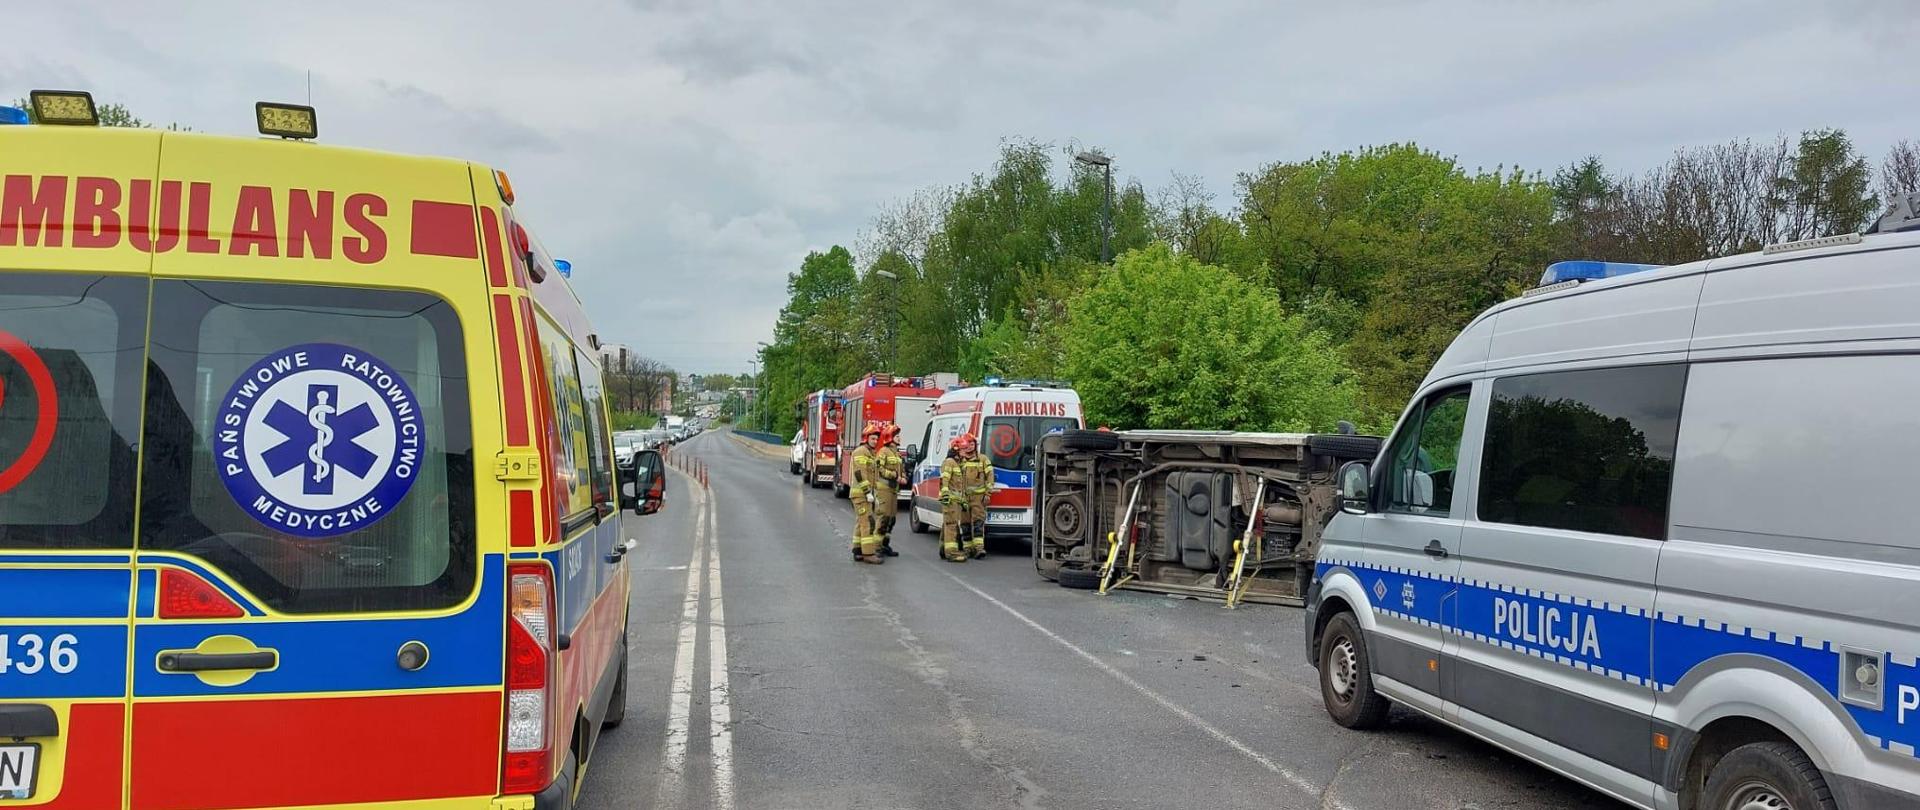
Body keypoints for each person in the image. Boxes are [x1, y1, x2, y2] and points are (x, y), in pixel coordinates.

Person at [938, 433, 978, 562]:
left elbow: (959, 486)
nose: (965, 451)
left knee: (948, 524)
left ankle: (943, 549)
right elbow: (944, 480)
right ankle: (951, 553)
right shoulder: (950, 462)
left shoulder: (958, 463)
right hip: (950, 500)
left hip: (955, 501)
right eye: (963, 449)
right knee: (951, 525)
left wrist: (962, 501)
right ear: (956, 450)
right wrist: (945, 495)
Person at [849, 422, 885, 564]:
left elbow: (873, 476)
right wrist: (867, 492)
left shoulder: (870, 453)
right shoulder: (861, 452)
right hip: (861, 494)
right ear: (866, 438)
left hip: (865, 494)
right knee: (868, 523)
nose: (875, 441)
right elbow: (860, 473)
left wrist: (874, 493)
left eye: (876, 439)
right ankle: (868, 554)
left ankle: (857, 551)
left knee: (861, 522)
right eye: (873, 439)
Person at [873, 422, 906, 556]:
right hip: (884, 489)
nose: (899, 438)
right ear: (890, 437)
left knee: (891, 519)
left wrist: (903, 477)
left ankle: (885, 545)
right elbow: (879, 469)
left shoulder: (897, 454)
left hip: (893, 490)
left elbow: (901, 469)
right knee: (884, 518)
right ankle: (876, 547)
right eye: (897, 436)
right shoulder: (883, 452)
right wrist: (895, 476)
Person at [961, 435, 992, 559]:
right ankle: (967, 549)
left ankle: (979, 548)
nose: (970, 447)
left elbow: (990, 477)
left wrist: (988, 494)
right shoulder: (960, 460)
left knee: (978, 523)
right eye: (968, 444)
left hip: (978, 498)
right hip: (963, 498)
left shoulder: (983, 459)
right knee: (965, 524)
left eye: (972, 444)